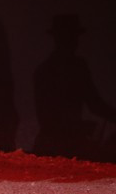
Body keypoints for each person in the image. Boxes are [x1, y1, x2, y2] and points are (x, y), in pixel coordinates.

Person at [33, 14, 116, 161]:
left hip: (58, 141)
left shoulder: (69, 68)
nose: (74, 42)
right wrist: (78, 127)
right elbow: (47, 118)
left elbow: (94, 104)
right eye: (70, 37)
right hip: (61, 142)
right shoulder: (68, 69)